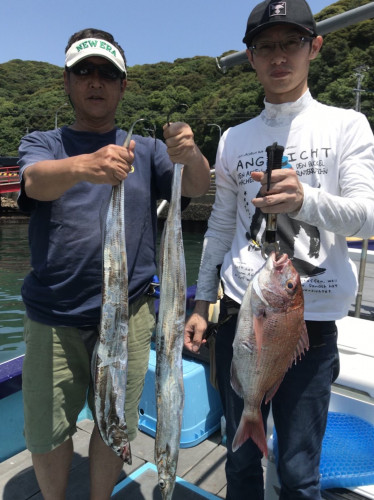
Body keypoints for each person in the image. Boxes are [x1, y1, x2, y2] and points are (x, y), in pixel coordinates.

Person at [184, 1, 374, 498]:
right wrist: (204, 302)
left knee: (297, 469)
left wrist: (305, 199)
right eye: (266, 46)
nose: (279, 56)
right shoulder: (233, 138)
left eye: (291, 42)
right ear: (250, 57)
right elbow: (221, 226)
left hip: (310, 321)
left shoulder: (347, 125)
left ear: (315, 46)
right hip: (240, 314)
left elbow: (367, 215)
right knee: (241, 458)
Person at [18, 28, 210, 500]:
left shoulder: (146, 150)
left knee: (114, 423)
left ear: (123, 86)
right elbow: (34, 182)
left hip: (129, 315)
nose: (95, 81)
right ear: (67, 81)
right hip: (54, 315)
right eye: (84, 71)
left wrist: (190, 154)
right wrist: (84, 165)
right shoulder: (44, 142)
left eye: (108, 73)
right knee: (48, 428)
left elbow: (196, 187)